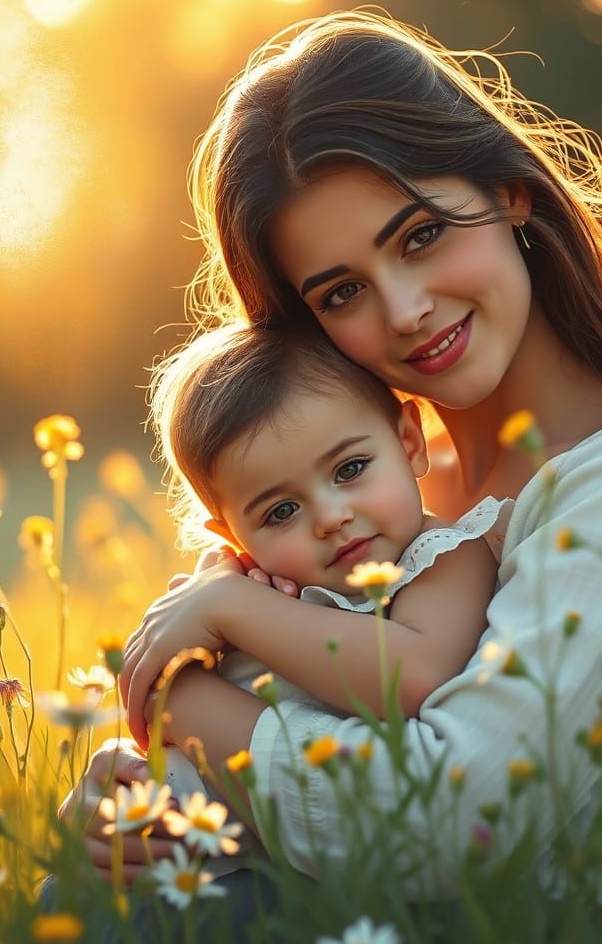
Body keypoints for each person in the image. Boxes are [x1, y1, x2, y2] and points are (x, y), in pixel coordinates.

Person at [62, 10, 602, 903]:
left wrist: (185, 710)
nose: (403, 311)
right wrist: (138, 782)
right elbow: (257, 690)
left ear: (511, 191)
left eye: (420, 236)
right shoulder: (356, 490)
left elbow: (452, 828)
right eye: (342, 291)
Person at [137, 322, 503, 817]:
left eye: (349, 469)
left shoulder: (443, 555)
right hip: (173, 830)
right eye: (281, 512)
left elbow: (419, 675)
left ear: (410, 443)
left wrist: (237, 611)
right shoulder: (254, 588)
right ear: (232, 539)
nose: (331, 518)